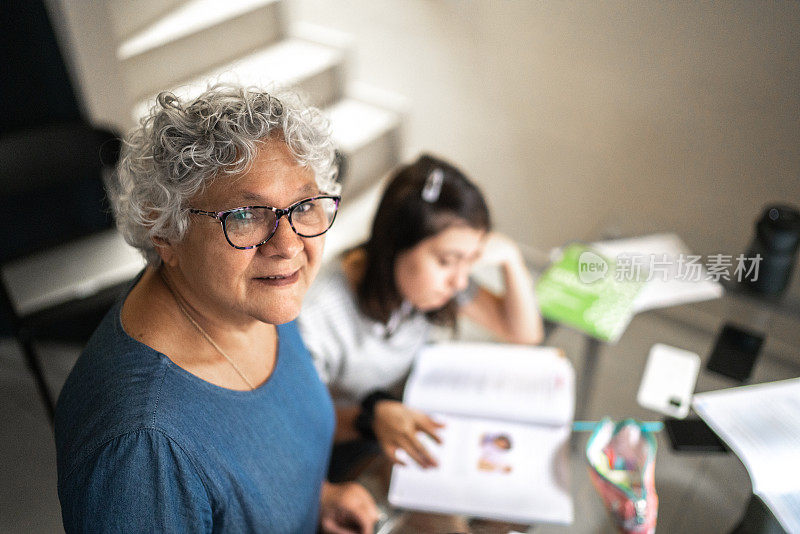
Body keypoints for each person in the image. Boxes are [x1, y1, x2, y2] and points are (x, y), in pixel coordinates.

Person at [54, 84, 378, 533]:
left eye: (304, 205)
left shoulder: (250, 297)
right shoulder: (143, 447)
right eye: (245, 214)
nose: (288, 246)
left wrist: (320, 499)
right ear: (164, 229)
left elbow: (260, 467)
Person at [298, 154, 544, 471]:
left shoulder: (433, 283)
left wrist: (511, 257)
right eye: (446, 261)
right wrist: (369, 418)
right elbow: (296, 419)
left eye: (470, 260)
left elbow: (524, 332)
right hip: (337, 449)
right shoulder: (319, 313)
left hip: (399, 420)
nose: (460, 281)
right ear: (395, 243)